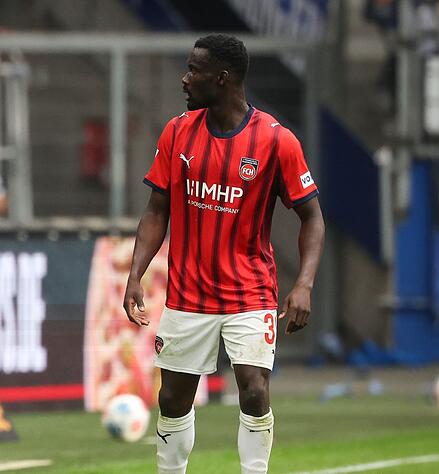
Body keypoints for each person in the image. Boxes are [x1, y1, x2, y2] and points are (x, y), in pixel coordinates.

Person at [122, 34, 325, 474]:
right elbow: (157, 210)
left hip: (249, 292)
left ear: (223, 77)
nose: (185, 78)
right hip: (188, 296)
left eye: (194, 70)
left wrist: (304, 283)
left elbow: (313, 218)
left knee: (254, 389)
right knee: (173, 398)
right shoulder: (177, 132)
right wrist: (136, 273)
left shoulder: (276, 141)